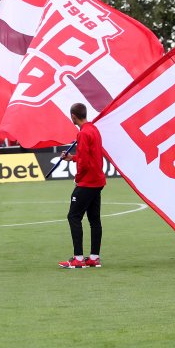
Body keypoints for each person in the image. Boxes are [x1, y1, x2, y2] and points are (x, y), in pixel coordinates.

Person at [58, 102, 106, 269]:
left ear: (73, 116)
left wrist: (78, 178)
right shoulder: (93, 129)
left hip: (88, 181)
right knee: (94, 220)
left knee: (73, 216)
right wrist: (72, 158)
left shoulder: (83, 133)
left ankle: (78, 258)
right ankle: (94, 257)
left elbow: (85, 162)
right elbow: (89, 156)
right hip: (98, 181)